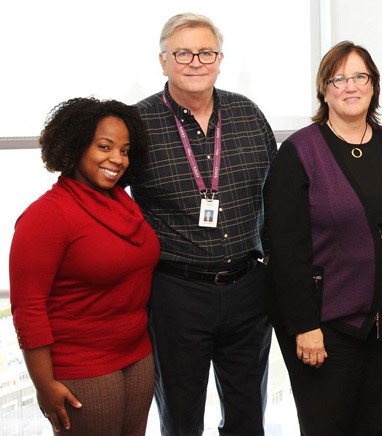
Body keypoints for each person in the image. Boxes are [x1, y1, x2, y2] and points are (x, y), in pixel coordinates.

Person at [131, 12, 277, 436]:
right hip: (176, 294)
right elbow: (106, 202)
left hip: (248, 289)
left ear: (219, 59)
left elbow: (278, 198)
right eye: (183, 53)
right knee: (180, 417)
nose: (196, 62)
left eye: (206, 52)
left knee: (248, 417)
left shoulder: (248, 115)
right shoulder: (136, 125)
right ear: (163, 62)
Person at [266, 40, 382, 436]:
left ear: (374, 85)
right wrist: (304, 325)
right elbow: (285, 248)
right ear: (324, 89)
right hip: (325, 326)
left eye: (360, 77)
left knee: (378, 428)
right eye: (339, 78)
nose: (350, 87)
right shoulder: (300, 151)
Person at [10, 97, 158, 435]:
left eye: (124, 150)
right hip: (82, 367)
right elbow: (28, 308)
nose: (116, 159)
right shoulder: (46, 216)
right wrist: (43, 384)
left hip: (137, 356)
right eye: (104, 146)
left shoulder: (123, 202)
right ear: (75, 146)